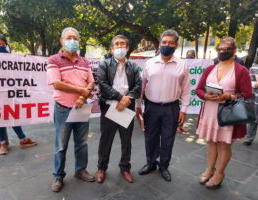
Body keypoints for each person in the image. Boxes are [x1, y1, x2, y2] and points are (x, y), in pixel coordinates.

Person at [195, 37, 252, 189]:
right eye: (220, 49)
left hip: (228, 113)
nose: (222, 51)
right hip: (209, 111)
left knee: (224, 145)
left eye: (226, 49)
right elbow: (199, 89)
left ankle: (219, 173)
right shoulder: (209, 69)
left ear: (234, 51)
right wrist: (205, 96)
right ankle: (209, 169)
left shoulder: (241, 70)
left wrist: (230, 96)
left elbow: (247, 94)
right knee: (211, 141)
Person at [136, 30, 191, 182]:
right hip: (151, 107)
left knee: (168, 138)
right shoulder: (149, 63)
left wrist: (184, 110)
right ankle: (151, 163)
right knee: (150, 137)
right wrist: (138, 105)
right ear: (159, 44)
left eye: (171, 43)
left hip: (171, 108)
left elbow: (186, 90)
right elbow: (142, 86)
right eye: (164, 42)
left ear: (176, 45)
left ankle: (164, 166)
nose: (167, 45)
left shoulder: (182, 65)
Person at [47, 27, 95, 192]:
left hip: (82, 107)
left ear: (79, 42)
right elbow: (57, 84)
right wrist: (81, 91)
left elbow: (91, 82)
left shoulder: (84, 62)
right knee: (61, 146)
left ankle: (81, 170)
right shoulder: (54, 60)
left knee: (82, 143)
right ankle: (58, 175)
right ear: (62, 41)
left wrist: (83, 96)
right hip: (63, 109)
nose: (72, 40)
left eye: (75, 38)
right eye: (69, 37)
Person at [95, 35, 142, 183]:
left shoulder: (133, 67)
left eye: (122, 44)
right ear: (112, 48)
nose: (119, 47)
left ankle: (125, 168)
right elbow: (102, 84)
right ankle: (102, 168)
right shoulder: (105, 64)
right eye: (116, 44)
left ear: (127, 48)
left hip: (127, 108)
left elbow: (138, 86)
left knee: (126, 141)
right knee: (105, 141)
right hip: (109, 108)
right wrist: (119, 98)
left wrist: (126, 100)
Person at [0, 35, 37, 155]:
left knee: (13, 114)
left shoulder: (10, 56)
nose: (1, 46)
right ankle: (3, 143)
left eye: (3, 44)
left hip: (9, 91)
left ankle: (22, 139)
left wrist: (25, 60)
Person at [244, 54, 258, 146]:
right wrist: (255, 84)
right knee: (253, 119)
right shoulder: (253, 69)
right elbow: (248, 82)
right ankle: (249, 138)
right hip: (255, 98)